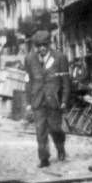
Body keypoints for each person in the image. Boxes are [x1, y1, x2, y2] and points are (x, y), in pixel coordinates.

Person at [24, 30, 70, 168]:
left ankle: (60, 148)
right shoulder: (29, 59)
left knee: (55, 129)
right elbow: (28, 81)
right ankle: (44, 158)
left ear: (49, 44)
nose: (42, 48)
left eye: (45, 45)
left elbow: (66, 82)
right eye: (39, 46)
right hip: (38, 100)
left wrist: (64, 100)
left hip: (54, 100)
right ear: (36, 46)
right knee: (40, 131)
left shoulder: (60, 58)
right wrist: (28, 102)